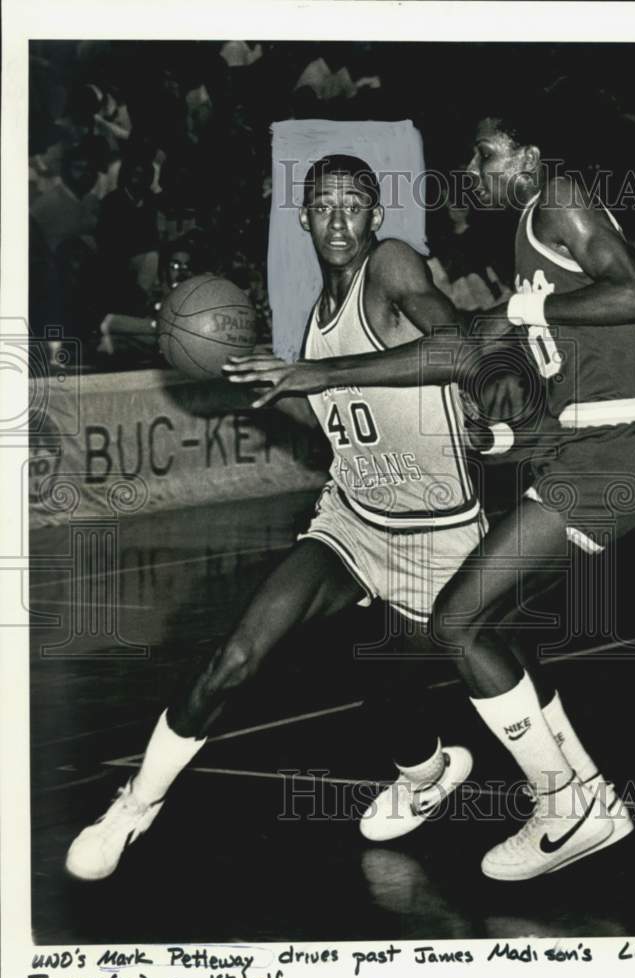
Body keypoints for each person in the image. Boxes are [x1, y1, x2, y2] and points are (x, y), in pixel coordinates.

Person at [229, 110, 635, 881]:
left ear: (529, 155)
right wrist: (504, 441)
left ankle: (566, 806)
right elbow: (572, 382)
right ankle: (588, 796)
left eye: (488, 153)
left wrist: (526, 309)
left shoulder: (559, 197)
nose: (475, 168)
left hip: (614, 454)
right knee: (482, 625)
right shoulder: (528, 236)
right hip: (583, 448)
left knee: (459, 622)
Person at [65, 154, 495, 880]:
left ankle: (455, 776)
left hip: (440, 535)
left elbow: (458, 349)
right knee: (237, 654)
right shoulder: (317, 320)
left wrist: (319, 374)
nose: (336, 220)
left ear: (374, 215)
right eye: (321, 206)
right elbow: (333, 421)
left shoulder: (390, 266)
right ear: (302, 215)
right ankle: (134, 806)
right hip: (354, 520)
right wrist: (258, 376)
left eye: (351, 205)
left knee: (392, 687)